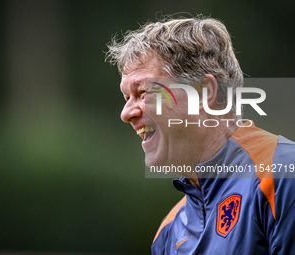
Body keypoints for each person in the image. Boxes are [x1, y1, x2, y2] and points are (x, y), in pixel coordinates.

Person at [106, 16, 295, 254]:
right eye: (127, 98)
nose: (126, 114)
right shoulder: (168, 231)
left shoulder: (282, 175)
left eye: (143, 93)